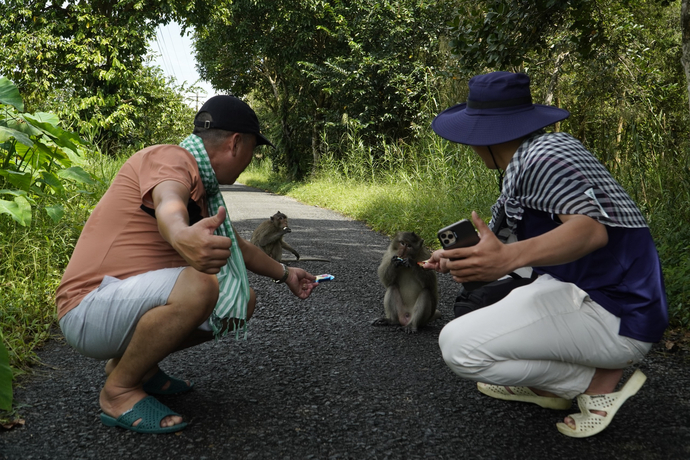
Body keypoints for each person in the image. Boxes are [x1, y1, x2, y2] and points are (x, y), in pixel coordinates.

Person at [425, 72, 668, 438]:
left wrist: (506, 259)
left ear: (487, 134)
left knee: (459, 347)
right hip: (596, 295)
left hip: (618, 312)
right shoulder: (530, 162)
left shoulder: (544, 157)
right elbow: (503, 250)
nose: (469, 146)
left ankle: (593, 383)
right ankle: (553, 387)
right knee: (476, 306)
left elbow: (589, 230)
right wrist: (461, 258)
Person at [56, 95, 318, 434]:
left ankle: (139, 367)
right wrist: (181, 234)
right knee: (201, 285)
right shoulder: (171, 159)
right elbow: (168, 203)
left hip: (116, 305)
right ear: (236, 144)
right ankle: (118, 392)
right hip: (86, 308)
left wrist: (286, 274)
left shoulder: (202, 186)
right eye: (253, 149)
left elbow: (237, 246)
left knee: (242, 301)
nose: (250, 160)